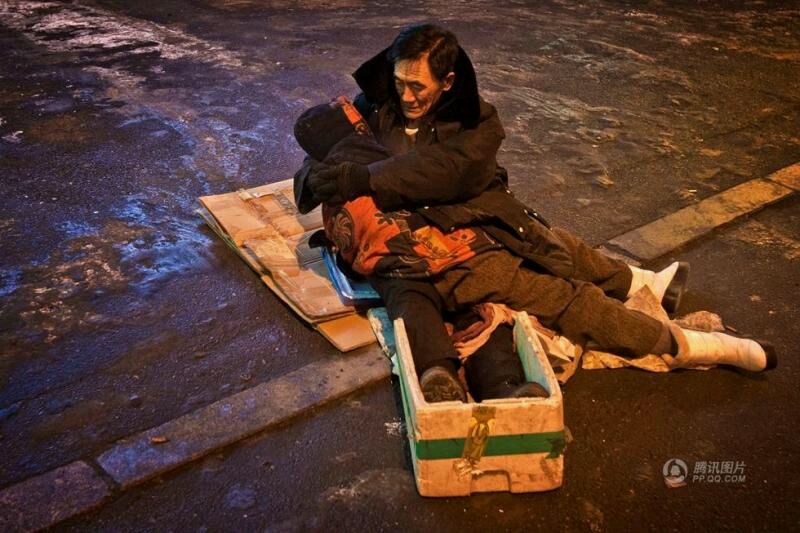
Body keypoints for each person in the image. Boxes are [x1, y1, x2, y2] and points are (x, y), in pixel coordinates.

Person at [294, 24, 776, 401]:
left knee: (560, 271)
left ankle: (696, 344)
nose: (406, 96)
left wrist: (367, 178)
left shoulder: (477, 123)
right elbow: (327, 145)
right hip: (406, 260)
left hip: (472, 237)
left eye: (417, 86)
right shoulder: (380, 108)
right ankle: (444, 375)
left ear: (448, 81)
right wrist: (317, 177)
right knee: (422, 302)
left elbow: (447, 172)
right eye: (399, 82)